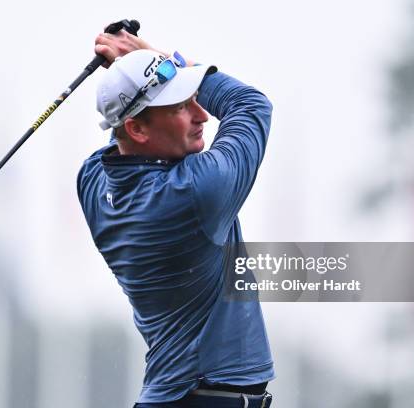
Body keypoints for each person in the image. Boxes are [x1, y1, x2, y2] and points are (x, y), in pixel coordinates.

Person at [77, 27, 275, 408]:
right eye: (182, 106)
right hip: (206, 398)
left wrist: (136, 72)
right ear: (137, 128)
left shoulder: (92, 181)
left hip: (176, 397)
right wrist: (157, 57)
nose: (202, 114)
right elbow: (251, 105)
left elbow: (125, 140)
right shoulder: (197, 191)